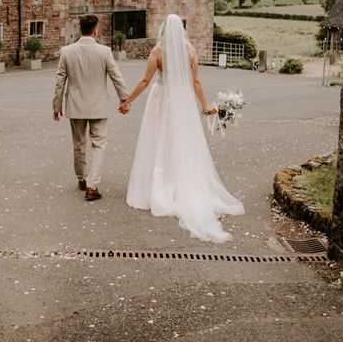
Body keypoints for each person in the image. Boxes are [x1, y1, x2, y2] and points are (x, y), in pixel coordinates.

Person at [118, 14, 244, 242]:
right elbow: (195, 82)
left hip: (162, 99)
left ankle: (158, 184)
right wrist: (205, 105)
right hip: (182, 101)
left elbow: (146, 81)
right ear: (182, 31)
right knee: (182, 140)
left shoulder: (158, 51)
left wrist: (127, 100)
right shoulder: (191, 52)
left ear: (164, 29)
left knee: (159, 140)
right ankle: (180, 183)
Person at [53, 15, 129, 201]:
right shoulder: (104, 51)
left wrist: (57, 105)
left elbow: (59, 81)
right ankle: (92, 186)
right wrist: (124, 99)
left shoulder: (67, 51)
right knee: (99, 144)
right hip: (98, 107)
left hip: (75, 106)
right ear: (95, 30)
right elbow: (116, 76)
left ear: (80, 29)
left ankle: (82, 179)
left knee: (79, 144)